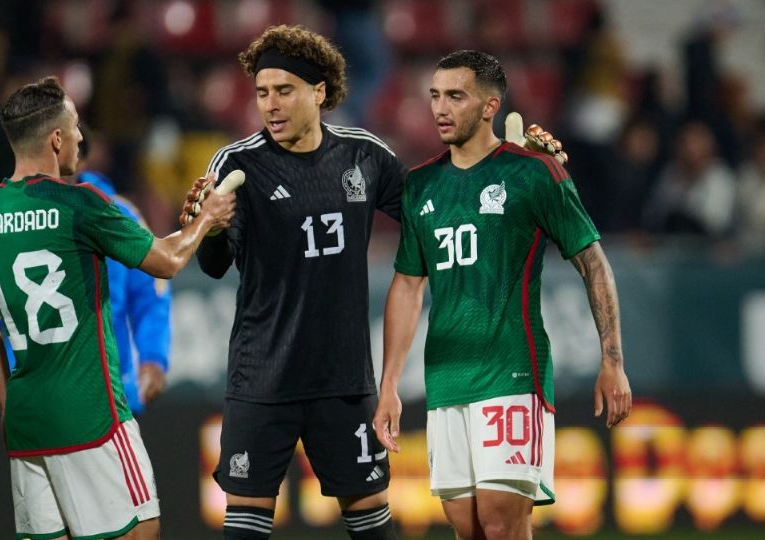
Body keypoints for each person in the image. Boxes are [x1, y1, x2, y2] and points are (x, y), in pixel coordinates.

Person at [185, 26, 566, 540]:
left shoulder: (362, 154)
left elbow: (435, 213)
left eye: (284, 90)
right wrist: (210, 229)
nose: (269, 105)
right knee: (245, 528)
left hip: (345, 381)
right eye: (261, 93)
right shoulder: (238, 163)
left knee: (372, 527)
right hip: (263, 378)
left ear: (319, 93)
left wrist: (518, 172)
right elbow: (213, 264)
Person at [0, 76, 234, 540]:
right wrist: (208, 217)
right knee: (142, 529)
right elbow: (165, 262)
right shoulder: (80, 205)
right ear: (56, 138)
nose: (83, 138)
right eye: (77, 126)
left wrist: (9, 406)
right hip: (92, 415)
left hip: (26, 420)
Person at [372, 50, 632, 540]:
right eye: (434, 96)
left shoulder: (534, 173)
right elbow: (408, 285)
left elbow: (592, 261)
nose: (440, 108)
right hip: (447, 379)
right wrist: (388, 386)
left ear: (491, 106)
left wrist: (612, 359)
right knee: (467, 528)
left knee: (500, 523)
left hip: (511, 371)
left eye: (456, 96)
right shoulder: (420, 185)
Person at [0, 171, 171, 460]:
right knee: (127, 506)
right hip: (98, 406)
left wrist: (153, 357)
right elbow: (156, 284)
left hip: (36, 408)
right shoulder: (108, 211)